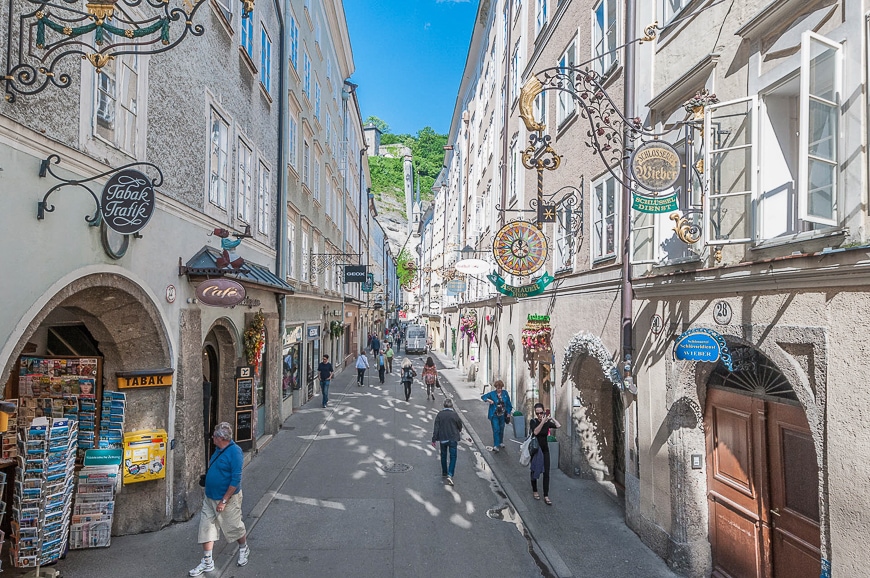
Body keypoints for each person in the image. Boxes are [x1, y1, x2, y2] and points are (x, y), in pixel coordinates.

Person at [189, 422, 249, 576]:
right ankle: (207, 562)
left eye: (214, 436)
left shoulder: (235, 452)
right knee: (206, 528)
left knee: (234, 527)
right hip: (209, 498)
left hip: (227, 500)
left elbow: (235, 480)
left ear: (221, 438)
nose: (212, 438)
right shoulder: (218, 449)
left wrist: (224, 501)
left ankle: (244, 549)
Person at [529, 403, 561, 505]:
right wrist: (543, 421)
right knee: (534, 471)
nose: (539, 415)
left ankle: (546, 495)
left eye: (541, 413)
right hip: (536, 450)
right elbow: (536, 432)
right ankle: (535, 490)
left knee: (546, 473)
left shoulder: (546, 423)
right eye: (537, 413)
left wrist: (551, 418)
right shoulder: (533, 422)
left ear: (543, 412)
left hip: (545, 450)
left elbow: (558, 426)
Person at [431, 398, 463, 486]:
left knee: (443, 455)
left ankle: (444, 472)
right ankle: (450, 474)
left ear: (444, 405)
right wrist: (459, 430)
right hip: (453, 438)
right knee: (453, 456)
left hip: (443, 438)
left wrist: (434, 439)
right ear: (451, 405)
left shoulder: (440, 415)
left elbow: (436, 428)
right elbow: (459, 425)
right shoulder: (454, 414)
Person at [481, 379, 513, 452]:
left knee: (501, 429)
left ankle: (500, 442)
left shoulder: (505, 393)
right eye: (498, 388)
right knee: (496, 429)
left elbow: (508, 403)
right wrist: (489, 400)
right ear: (496, 388)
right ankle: (496, 445)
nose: (500, 390)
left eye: (501, 388)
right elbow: (483, 397)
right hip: (494, 415)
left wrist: (508, 412)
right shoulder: (492, 394)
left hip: (502, 415)